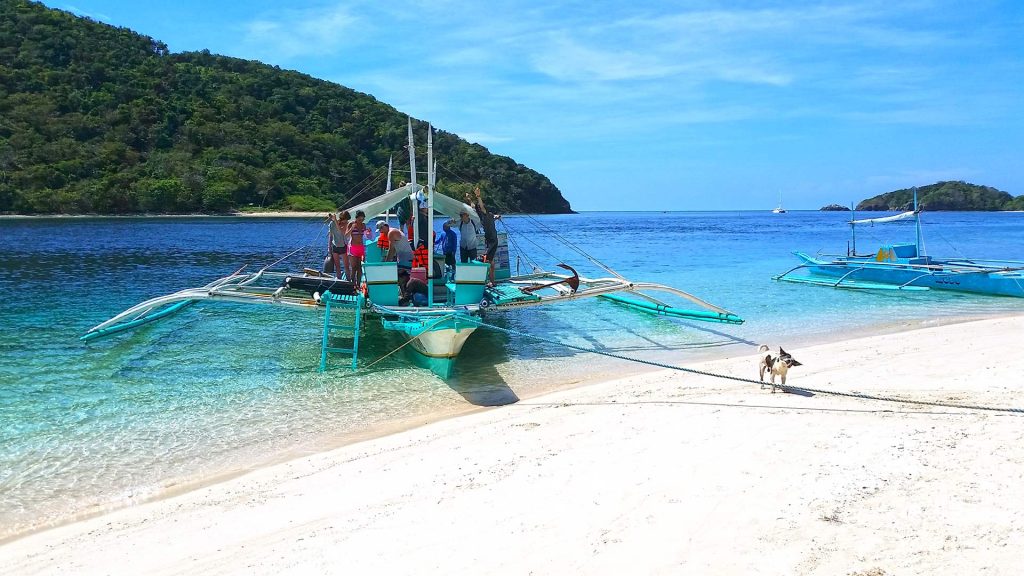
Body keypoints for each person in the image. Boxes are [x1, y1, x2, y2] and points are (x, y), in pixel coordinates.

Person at [471, 187, 501, 285]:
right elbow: (478, 207)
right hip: (490, 240)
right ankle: (490, 281)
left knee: (489, 262)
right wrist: (475, 198)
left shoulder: (488, 215)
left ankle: (491, 281)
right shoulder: (485, 216)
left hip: (492, 240)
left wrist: (476, 197)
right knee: (489, 262)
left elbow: (482, 208)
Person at [326, 211, 351, 279]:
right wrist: (329, 247)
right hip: (335, 246)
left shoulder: (346, 224)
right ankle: (339, 279)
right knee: (337, 266)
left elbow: (341, 230)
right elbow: (330, 236)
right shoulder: (332, 223)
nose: (347, 221)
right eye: (346, 219)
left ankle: (349, 280)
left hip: (343, 246)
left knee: (346, 266)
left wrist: (335, 220)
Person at [347, 210, 368, 285]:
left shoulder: (363, 225)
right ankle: (352, 284)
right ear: (356, 218)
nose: (361, 221)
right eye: (359, 219)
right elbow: (346, 235)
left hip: (361, 247)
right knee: (354, 268)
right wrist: (351, 229)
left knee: (360, 268)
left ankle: (358, 284)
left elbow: (367, 236)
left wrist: (368, 233)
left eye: (362, 219)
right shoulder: (351, 224)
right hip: (353, 247)